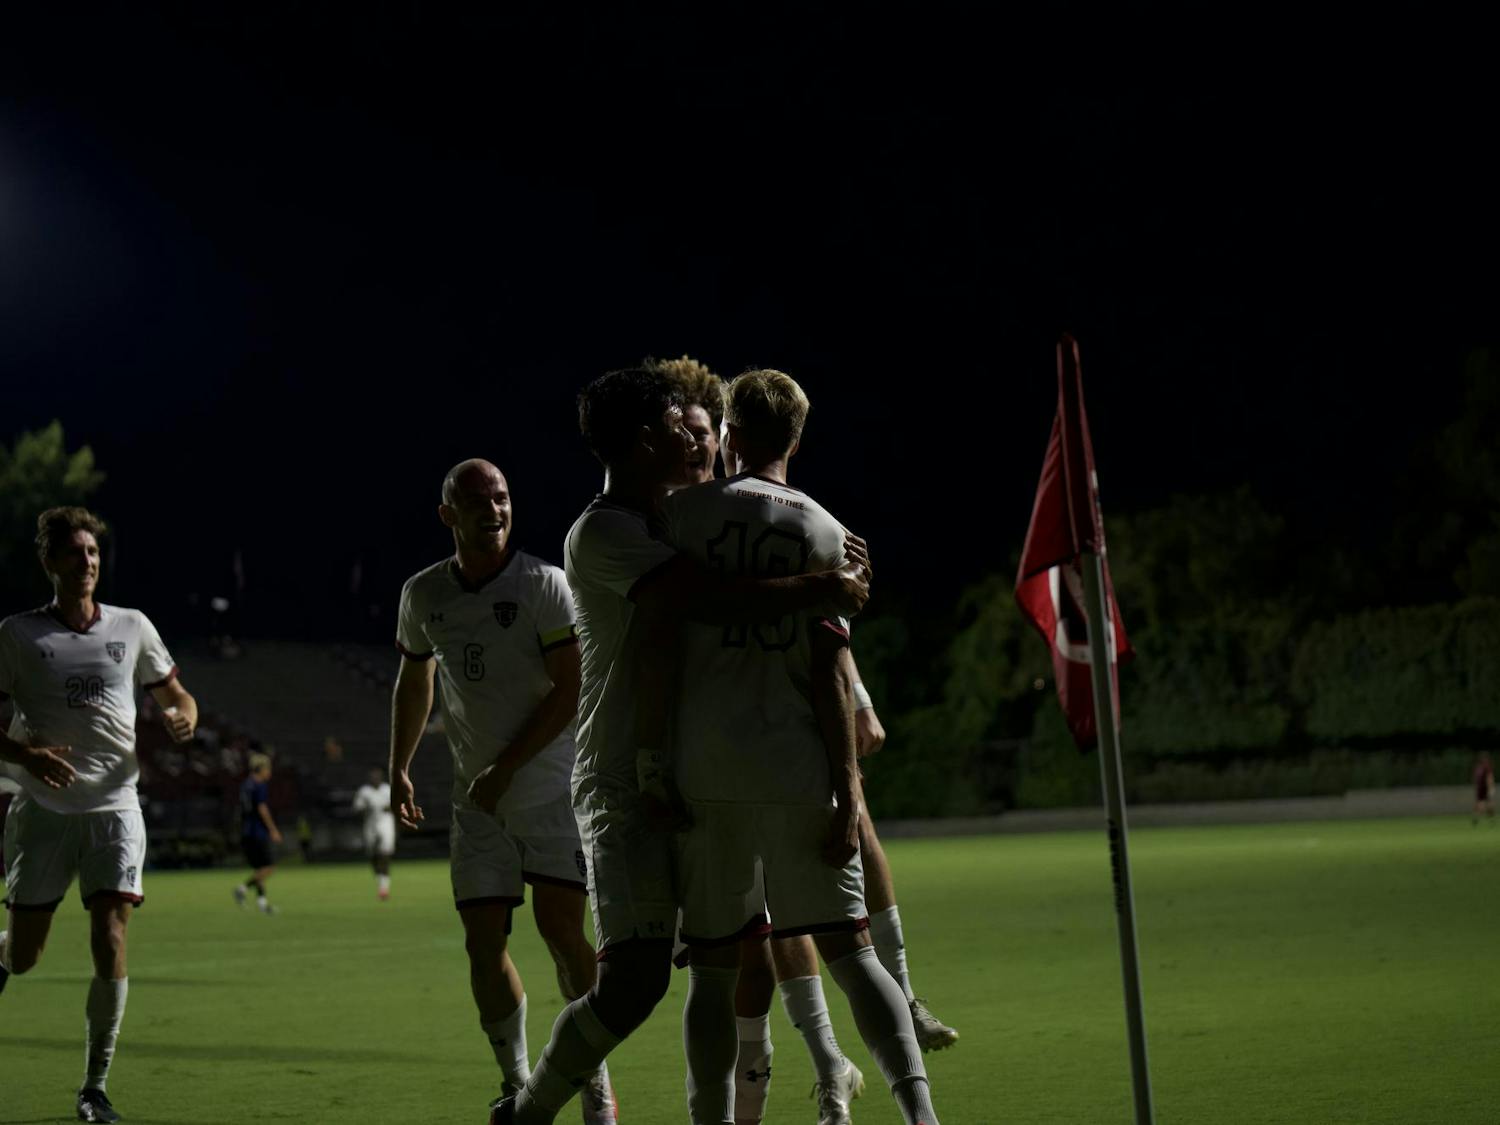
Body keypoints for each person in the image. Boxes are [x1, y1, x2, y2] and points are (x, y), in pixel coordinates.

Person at [491, 366, 870, 1125]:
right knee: (634, 981)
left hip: (694, 770)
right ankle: (529, 1110)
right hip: (622, 778)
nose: (696, 433)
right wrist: (818, 583)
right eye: (679, 423)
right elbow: (695, 598)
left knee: (735, 953)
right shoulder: (604, 531)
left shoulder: (677, 519)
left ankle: (777, 1088)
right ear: (644, 439)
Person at [653, 355, 955, 1125]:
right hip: (797, 769)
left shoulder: (682, 520)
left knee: (713, 974)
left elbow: (660, 644)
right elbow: (829, 674)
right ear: (796, 433)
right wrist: (849, 789)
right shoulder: (824, 530)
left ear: (733, 429)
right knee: (852, 955)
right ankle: (921, 1115)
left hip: (706, 773)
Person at [391, 459, 614, 1122]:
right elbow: (414, 679)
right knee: (482, 941)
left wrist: (508, 767)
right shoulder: (423, 595)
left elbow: (570, 689)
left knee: (562, 932)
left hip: (549, 790)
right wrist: (398, 765)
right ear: (447, 515)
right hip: (476, 800)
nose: (494, 508)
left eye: (503, 496)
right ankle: (519, 1082)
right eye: (477, 499)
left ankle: (594, 1077)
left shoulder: (545, 585)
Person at [0, 506, 198, 1124]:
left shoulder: (132, 626)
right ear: (50, 562)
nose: (88, 562)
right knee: (26, 956)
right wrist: (25, 755)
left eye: (93, 553)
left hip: (116, 809)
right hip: (44, 812)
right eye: (75, 553)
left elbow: (177, 694)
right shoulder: (17, 635)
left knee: (111, 935)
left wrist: (185, 714)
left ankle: (94, 1088)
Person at [234, 753, 281, 914]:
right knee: (269, 867)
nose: (270, 772)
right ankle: (241, 889)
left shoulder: (246, 785)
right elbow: (262, 809)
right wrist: (273, 829)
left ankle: (262, 903)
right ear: (261, 769)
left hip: (246, 831)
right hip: (257, 831)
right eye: (268, 769)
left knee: (259, 869)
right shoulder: (259, 785)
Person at [353, 766, 396, 899]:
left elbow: (396, 806)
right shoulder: (364, 791)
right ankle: (380, 879)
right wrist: (366, 807)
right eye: (373, 775)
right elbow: (357, 809)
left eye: (377, 775)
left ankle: (384, 888)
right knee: (372, 855)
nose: (375, 778)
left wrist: (388, 807)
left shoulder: (387, 789)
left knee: (384, 853)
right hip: (370, 824)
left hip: (385, 823)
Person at [1473, 752, 1495, 825]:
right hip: (1485, 788)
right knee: (1488, 805)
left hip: (1480, 788)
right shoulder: (1487, 767)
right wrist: (1491, 788)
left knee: (1481, 804)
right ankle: (1490, 820)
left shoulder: (1478, 768)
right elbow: (1489, 778)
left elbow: (1476, 778)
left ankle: (1476, 818)